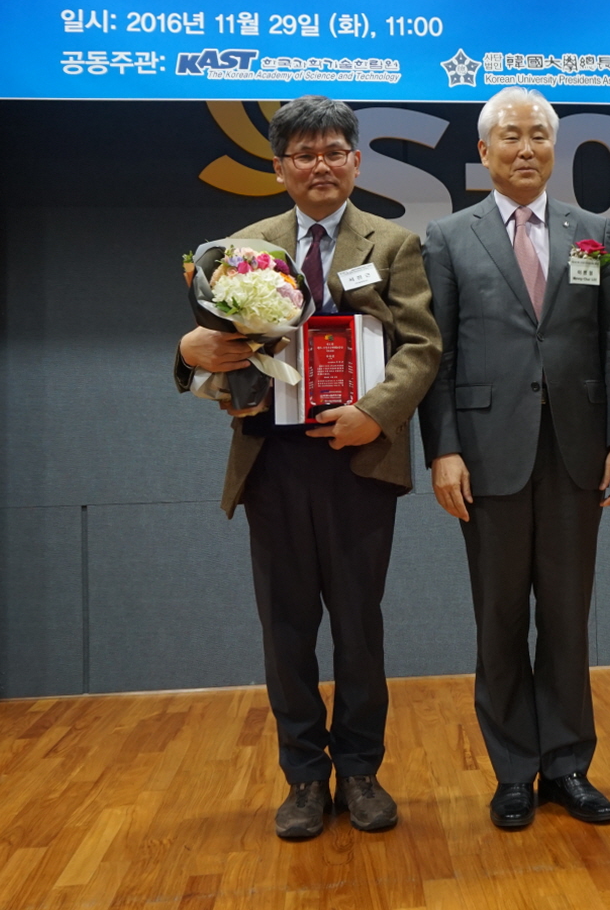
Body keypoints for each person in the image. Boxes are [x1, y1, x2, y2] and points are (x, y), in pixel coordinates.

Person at [175, 95, 441, 840]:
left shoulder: (393, 244)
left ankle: (359, 771)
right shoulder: (241, 245)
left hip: (359, 459)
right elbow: (212, 348)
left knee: (359, 626)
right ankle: (301, 777)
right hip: (274, 460)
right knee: (285, 627)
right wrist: (194, 362)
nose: (320, 164)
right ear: (279, 166)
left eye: (333, 150)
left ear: (356, 161)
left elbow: (422, 347)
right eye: (304, 153)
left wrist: (375, 413)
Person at [419, 87, 610, 830]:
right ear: (483, 152)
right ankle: (513, 769)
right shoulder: (448, 237)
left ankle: (569, 764)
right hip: (487, 455)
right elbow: (437, 356)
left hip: (577, 450)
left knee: (570, 615)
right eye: (510, 136)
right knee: (500, 614)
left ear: (555, 148)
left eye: (539, 135)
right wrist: (444, 449)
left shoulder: (593, 232)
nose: (526, 148)